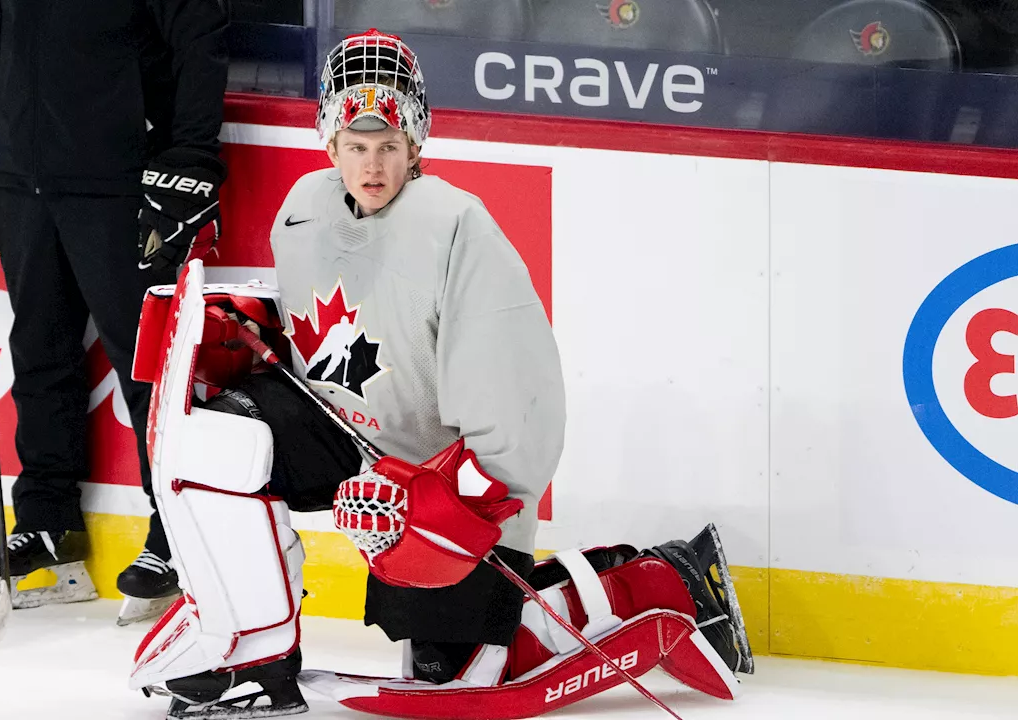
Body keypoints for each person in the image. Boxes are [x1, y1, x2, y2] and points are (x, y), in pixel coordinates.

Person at [125, 30, 752, 720]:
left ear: (416, 144)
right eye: (356, 146)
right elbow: (322, 321)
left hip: (438, 479)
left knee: (456, 663)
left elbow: (518, 388)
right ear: (329, 143)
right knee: (222, 431)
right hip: (348, 442)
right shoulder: (303, 207)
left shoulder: (457, 228)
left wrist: (475, 494)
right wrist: (246, 323)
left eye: (389, 146)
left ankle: (664, 580)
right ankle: (252, 652)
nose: (372, 164)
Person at [0, 0, 229, 625]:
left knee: (146, 363)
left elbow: (199, 39)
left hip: (120, 182)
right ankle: (44, 521)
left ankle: (176, 532)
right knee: (38, 353)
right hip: (22, 180)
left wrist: (190, 159)